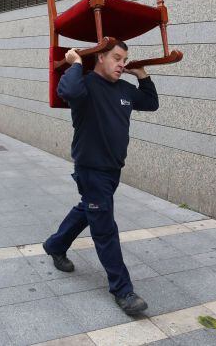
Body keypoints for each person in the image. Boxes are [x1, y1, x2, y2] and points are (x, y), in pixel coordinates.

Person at [43, 41, 158, 316]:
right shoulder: (85, 85)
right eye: (116, 58)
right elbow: (67, 90)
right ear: (101, 57)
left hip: (112, 170)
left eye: (125, 59)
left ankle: (55, 245)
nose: (122, 63)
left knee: (90, 209)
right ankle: (123, 291)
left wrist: (142, 74)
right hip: (91, 169)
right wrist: (76, 63)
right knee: (104, 227)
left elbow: (151, 103)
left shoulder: (124, 90)